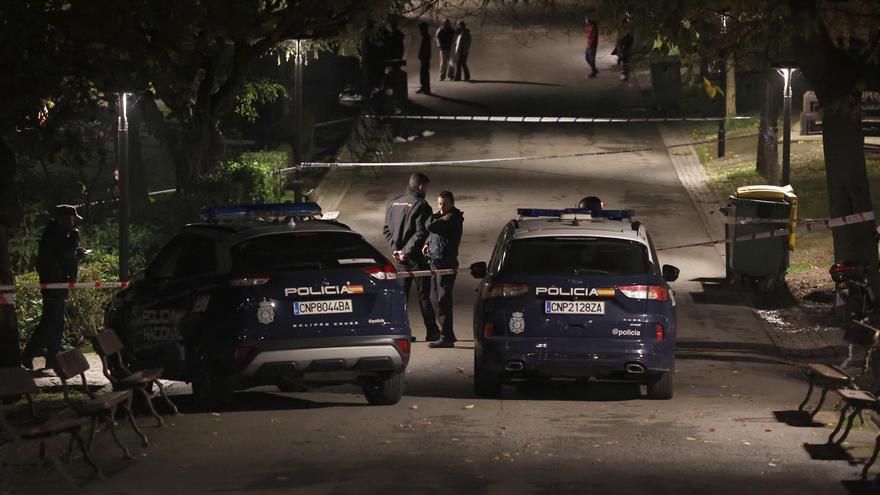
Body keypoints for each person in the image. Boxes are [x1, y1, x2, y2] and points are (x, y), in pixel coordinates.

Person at [22, 205, 85, 370]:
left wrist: (75, 253)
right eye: (73, 219)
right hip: (54, 283)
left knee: (57, 322)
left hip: (58, 282)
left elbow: (64, 255)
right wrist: (74, 240)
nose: (75, 223)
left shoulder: (59, 234)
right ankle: (29, 354)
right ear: (65, 219)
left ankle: (52, 358)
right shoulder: (56, 234)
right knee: (50, 321)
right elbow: (62, 255)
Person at [383, 173, 441, 342]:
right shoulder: (421, 205)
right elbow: (421, 233)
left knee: (401, 297)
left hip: (399, 260)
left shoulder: (392, 203)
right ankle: (432, 331)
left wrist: (396, 251)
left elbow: (386, 230)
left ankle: (403, 333)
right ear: (421, 186)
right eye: (426, 187)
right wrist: (406, 251)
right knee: (425, 295)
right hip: (416, 258)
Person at [422, 191, 463, 348]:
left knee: (442, 299)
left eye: (444, 204)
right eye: (439, 203)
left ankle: (447, 337)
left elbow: (431, 225)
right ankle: (446, 333)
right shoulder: (441, 217)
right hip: (435, 262)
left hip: (446, 264)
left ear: (452, 203)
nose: (441, 207)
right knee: (434, 298)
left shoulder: (452, 217)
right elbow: (433, 233)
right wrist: (427, 243)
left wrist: (433, 217)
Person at [417, 22, 432, 94]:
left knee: (424, 72)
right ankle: (425, 87)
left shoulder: (426, 37)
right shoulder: (426, 36)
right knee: (424, 72)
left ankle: (425, 88)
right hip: (425, 57)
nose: (420, 30)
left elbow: (425, 48)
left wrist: (422, 55)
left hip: (425, 57)